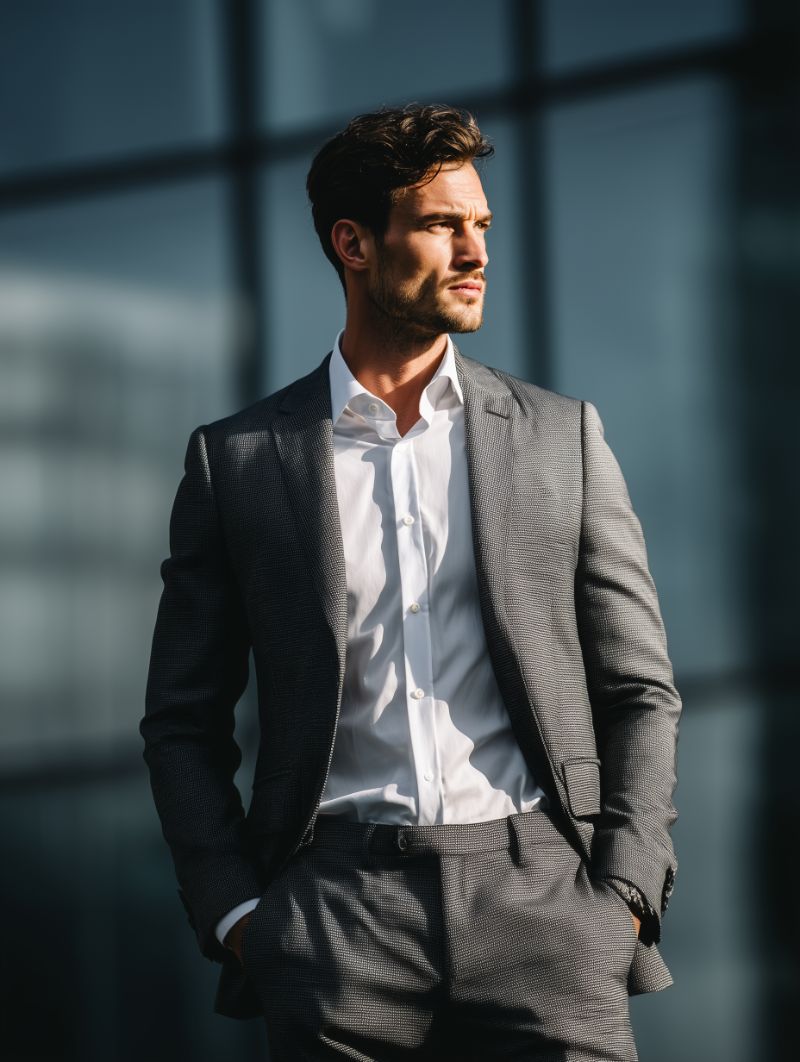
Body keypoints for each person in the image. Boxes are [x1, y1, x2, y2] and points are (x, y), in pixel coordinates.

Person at [141, 103, 681, 1061]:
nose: (476, 252)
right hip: (335, 918)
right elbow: (182, 720)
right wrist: (240, 915)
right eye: (441, 225)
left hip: (545, 908)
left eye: (482, 224)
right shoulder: (242, 463)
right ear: (353, 244)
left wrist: (624, 890)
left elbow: (638, 687)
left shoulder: (561, 437)